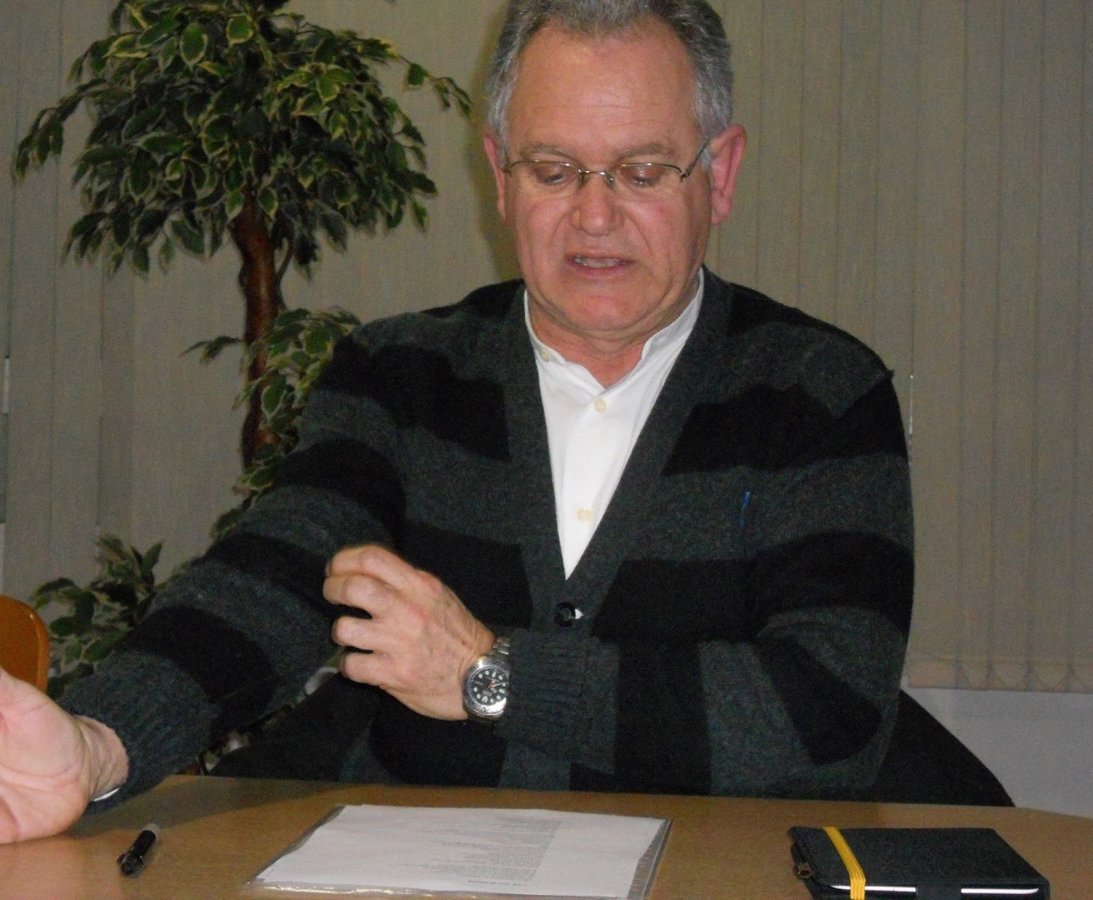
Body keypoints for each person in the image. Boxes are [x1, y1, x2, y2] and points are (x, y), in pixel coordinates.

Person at [0, 0, 913, 844]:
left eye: (641, 172)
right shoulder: (401, 375)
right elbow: (270, 581)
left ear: (721, 174)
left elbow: (827, 711)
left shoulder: (822, 392)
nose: (595, 216)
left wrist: (492, 673)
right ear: (500, 177)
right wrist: (98, 744)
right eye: (553, 170)